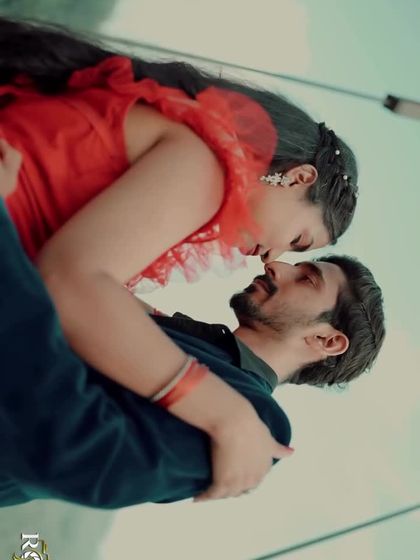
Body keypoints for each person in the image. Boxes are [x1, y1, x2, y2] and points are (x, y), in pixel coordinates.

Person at [0, 16, 359, 500]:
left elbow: (83, 454)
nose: (273, 259)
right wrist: (221, 411)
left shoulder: (189, 139)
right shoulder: (207, 166)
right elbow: (70, 282)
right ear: (298, 178)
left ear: (328, 340)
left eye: (299, 254)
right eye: (299, 241)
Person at [0, 194, 385, 508]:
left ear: (327, 341)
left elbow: (72, 455)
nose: (277, 266)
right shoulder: (183, 333)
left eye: (307, 279)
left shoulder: (258, 423)